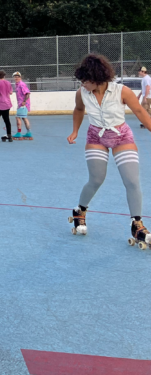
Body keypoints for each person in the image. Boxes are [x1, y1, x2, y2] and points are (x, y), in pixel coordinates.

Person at [68, 54, 151, 248]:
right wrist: (75, 131)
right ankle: (79, 211)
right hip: (96, 137)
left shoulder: (122, 91)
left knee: (131, 181)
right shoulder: (82, 93)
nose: (83, 84)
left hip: (121, 136)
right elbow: (78, 110)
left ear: (97, 78)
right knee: (96, 179)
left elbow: (140, 111)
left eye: (85, 80)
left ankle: (136, 224)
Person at [12, 72, 33, 140]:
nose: (16, 78)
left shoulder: (21, 84)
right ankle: (28, 132)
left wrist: (24, 101)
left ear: (20, 77)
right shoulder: (17, 85)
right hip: (21, 104)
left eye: (18, 76)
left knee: (18, 118)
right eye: (15, 77)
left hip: (23, 104)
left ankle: (19, 133)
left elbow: (27, 93)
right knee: (24, 118)